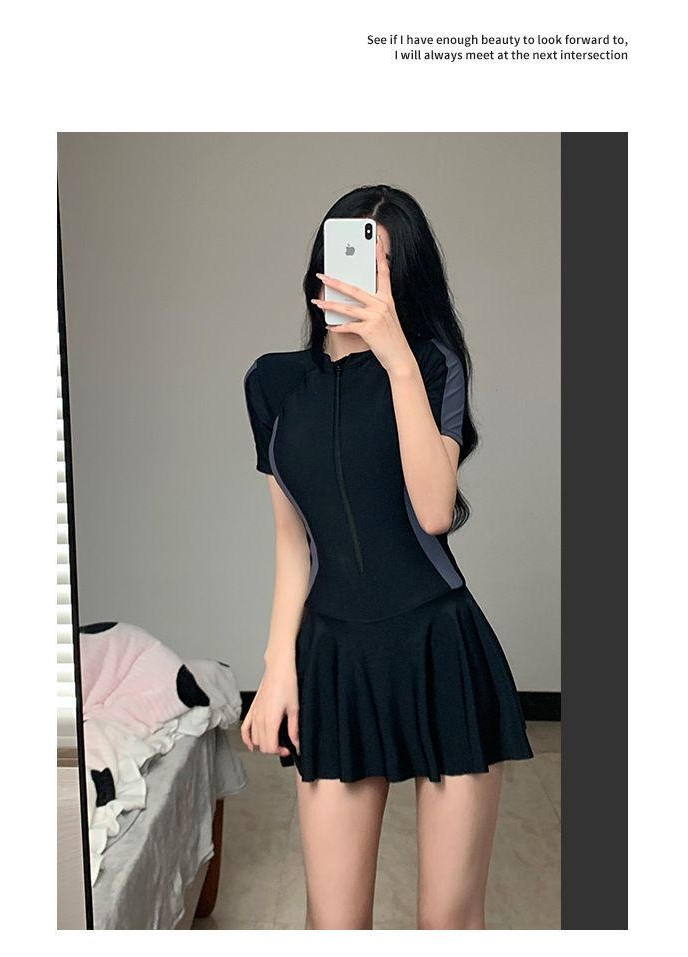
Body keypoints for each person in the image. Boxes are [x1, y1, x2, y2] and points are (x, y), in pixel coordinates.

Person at [242, 184, 534, 930]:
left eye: (380, 264)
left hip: (440, 650)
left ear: (404, 279)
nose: (359, 276)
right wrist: (277, 669)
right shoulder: (273, 383)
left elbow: (435, 511)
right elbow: (292, 541)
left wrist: (397, 357)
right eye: (346, 253)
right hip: (334, 660)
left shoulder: (431, 365)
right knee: (334, 925)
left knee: (447, 924)